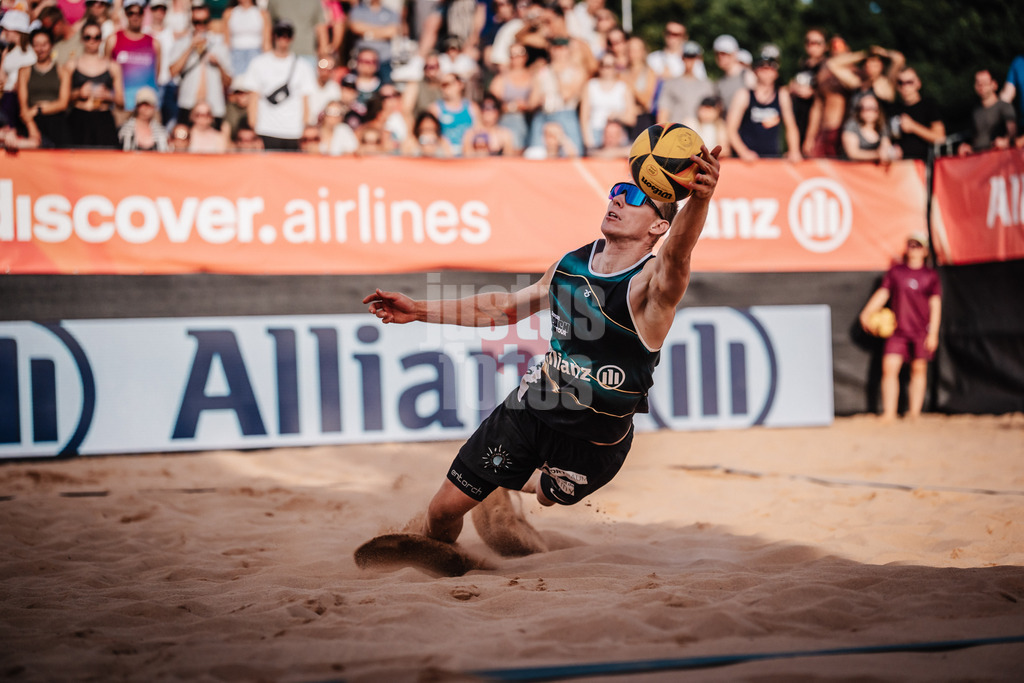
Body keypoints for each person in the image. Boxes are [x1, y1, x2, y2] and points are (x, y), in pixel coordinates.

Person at [361, 143, 721, 551]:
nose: (619, 198)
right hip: (531, 410)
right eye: (618, 190)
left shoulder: (650, 287)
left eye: (637, 197)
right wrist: (419, 309)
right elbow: (501, 310)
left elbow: (678, 254)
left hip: (594, 445)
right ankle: (446, 566)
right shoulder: (569, 266)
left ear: (658, 228)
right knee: (442, 512)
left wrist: (701, 199)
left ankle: (508, 483)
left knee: (551, 494)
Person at [859, 232, 942, 423]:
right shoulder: (896, 272)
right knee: (889, 369)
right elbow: (883, 294)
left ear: (925, 251)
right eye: (911, 244)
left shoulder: (930, 276)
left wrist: (934, 333)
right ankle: (889, 413)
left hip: (921, 330)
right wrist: (866, 313)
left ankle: (914, 414)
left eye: (918, 245)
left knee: (919, 370)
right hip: (897, 331)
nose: (913, 248)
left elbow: (935, 305)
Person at [243, 19, 316, 150]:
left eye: (287, 35)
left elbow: (305, 99)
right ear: (274, 36)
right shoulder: (259, 63)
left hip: (293, 131)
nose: (283, 39)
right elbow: (253, 97)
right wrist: (254, 129)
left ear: (292, 38)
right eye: (279, 34)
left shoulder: (302, 66)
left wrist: (304, 128)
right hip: (266, 129)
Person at [726, 50, 801, 162]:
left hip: (773, 159)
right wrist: (743, 152)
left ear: (776, 72)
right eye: (762, 67)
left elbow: (791, 127)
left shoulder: (782, 95)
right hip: (747, 161)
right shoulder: (744, 95)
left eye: (771, 68)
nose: (766, 71)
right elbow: (730, 128)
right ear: (755, 71)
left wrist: (794, 150)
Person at [168, 2, 232, 126]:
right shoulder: (182, 43)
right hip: (188, 105)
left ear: (209, 22)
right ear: (191, 22)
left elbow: (229, 82)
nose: (200, 26)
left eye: (204, 22)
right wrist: (190, 47)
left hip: (213, 107)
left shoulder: (219, 45)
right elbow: (172, 72)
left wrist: (219, 65)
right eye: (197, 22)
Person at [66, 19, 123, 148]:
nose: (92, 41)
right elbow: (63, 98)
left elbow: (121, 101)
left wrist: (108, 95)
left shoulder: (113, 66)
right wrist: (79, 93)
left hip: (103, 119)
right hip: (79, 118)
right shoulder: (71, 65)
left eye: (96, 37)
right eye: (88, 37)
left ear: (101, 40)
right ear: (82, 39)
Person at [17, 28, 70, 148]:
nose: (40, 49)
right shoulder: (24, 71)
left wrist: (38, 109)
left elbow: (63, 103)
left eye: (44, 44)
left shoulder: (63, 71)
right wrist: (32, 127)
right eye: (36, 45)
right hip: (31, 122)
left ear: (51, 45)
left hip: (56, 122)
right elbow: (23, 107)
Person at [106, 0, 160, 114]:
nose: (135, 17)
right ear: (125, 14)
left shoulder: (154, 43)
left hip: (148, 107)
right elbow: (106, 71)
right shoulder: (113, 40)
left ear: (143, 15)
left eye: (139, 13)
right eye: (131, 13)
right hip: (121, 106)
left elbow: (157, 74)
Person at [579, 52, 634, 153]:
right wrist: (588, 141)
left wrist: (617, 116)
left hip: (617, 135)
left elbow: (631, 118)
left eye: (610, 66)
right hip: (596, 133)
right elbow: (584, 116)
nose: (607, 69)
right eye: (604, 65)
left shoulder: (623, 87)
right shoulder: (591, 86)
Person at [656, 40, 714, 129]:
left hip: (700, 135)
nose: (689, 60)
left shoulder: (707, 85)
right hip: (676, 133)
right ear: (682, 57)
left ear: (698, 58)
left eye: (693, 56)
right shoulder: (670, 83)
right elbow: (663, 113)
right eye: (687, 56)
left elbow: (713, 115)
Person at [890, 66, 945, 161]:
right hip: (896, 164)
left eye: (909, 82)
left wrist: (913, 127)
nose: (905, 86)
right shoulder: (892, 108)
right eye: (900, 82)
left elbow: (940, 137)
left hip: (921, 163)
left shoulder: (929, 105)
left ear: (918, 84)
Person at [957, 69, 1016, 156]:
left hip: (998, 157)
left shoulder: (1004, 107)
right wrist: (967, 147)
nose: (981, 86)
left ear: (994, 85)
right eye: (978, 83)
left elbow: (1012, 132)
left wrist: (1005, 141)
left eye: (984, 83)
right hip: (977, 158)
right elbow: (975, 137)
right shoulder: (975, 110)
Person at [223, 0, 271, 78]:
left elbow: (266, 43)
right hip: (235, 55)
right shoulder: (229, 13)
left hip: (256, 53)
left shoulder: (262, 13)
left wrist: (268, 62)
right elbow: (226, 42)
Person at [841, 92, 893, 162]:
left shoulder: (882, 126)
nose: (869, 112)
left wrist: (892, 153)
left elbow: (886, 147)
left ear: (878, 111)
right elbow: (853, 153)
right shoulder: (852, 125)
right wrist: (877, 154)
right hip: (853, 169)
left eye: (872, 108)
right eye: (865, 108)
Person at [118, 84, 168, 150]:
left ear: (154, 107)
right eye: (142, 104)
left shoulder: (161, 132)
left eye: (149, 105)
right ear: (137, 107)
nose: (145, 108)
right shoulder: (125, 130)